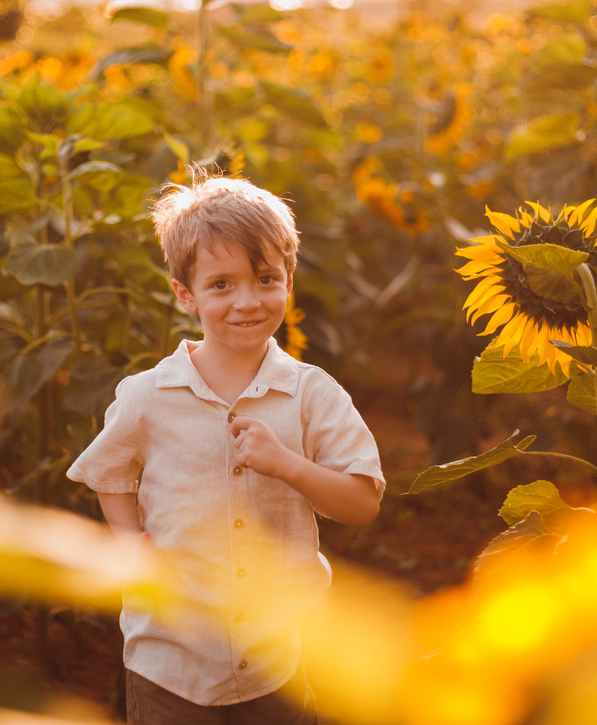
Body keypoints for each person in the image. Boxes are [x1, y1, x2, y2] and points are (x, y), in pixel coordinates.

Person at [67, 176, 384, 724]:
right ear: (185, 294)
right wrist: (132, 544)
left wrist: (287, 464)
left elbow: (363, 503)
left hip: (278, 659)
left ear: (288, 281)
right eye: (221, 284)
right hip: (171, 663)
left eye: (265, 279)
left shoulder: (312, 394)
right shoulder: (148, 396)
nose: (247, 302)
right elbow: (107, 472)